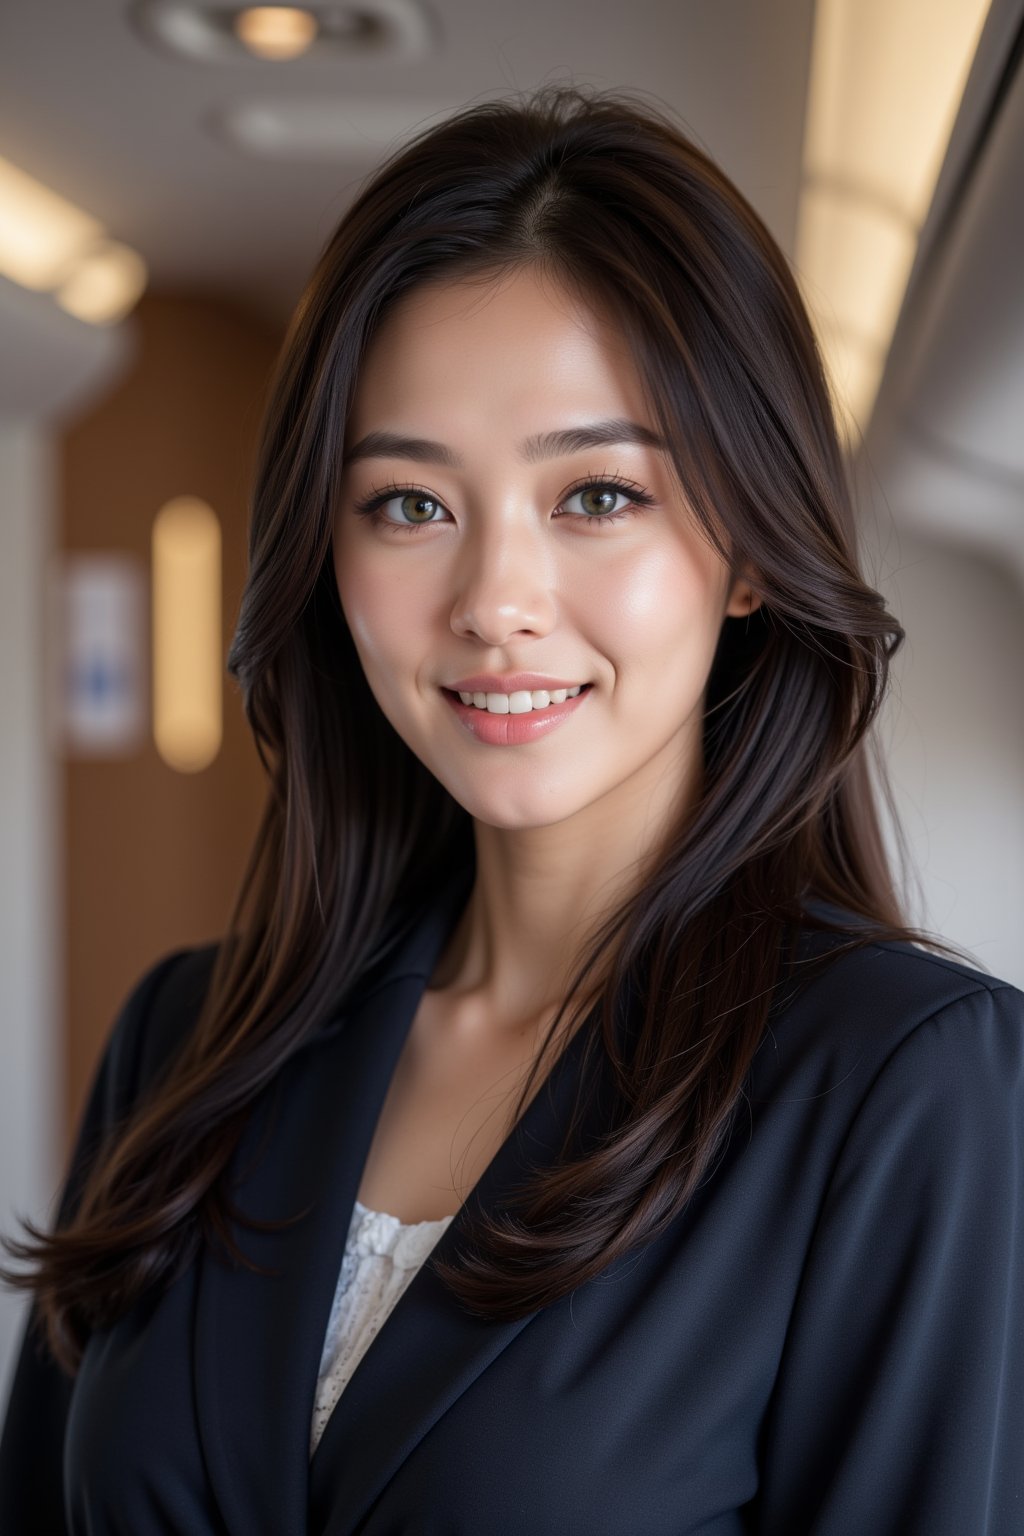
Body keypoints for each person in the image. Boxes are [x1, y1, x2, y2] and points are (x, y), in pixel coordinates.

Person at [1, 83, 1021, 1536]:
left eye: (596, 495)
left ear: (746, 549)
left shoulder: (908, 1087)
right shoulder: (186, 1043)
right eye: (410, 505)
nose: (493, 605)